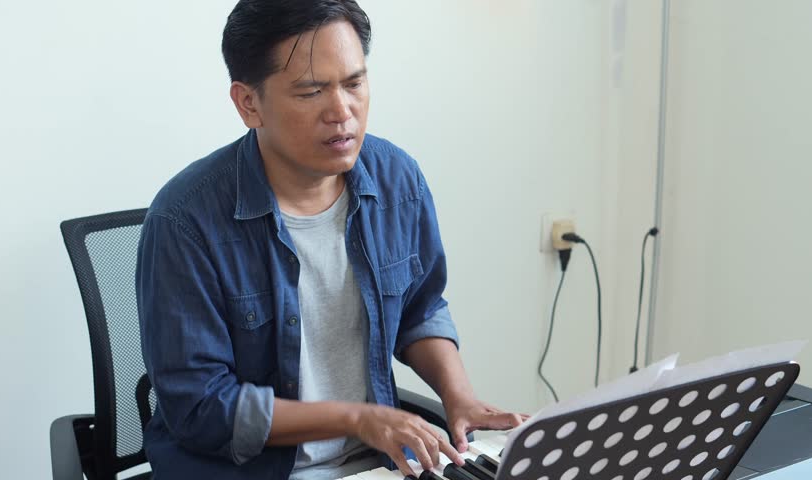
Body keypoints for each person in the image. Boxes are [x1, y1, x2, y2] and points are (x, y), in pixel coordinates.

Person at [136, 1, 525, 478]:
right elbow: (200, 408)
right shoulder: (184, 220)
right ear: (248, 103)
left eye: (354, 83)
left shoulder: (397, 181)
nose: (342, 111)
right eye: (311, 91)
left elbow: (420, 308)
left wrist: (459, 397)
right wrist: (358, 419)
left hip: (377, 467)